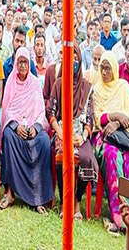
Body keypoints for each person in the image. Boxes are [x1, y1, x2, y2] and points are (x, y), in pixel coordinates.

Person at [92, 51, 129, 234]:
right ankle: (120, 213)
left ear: (115, 69)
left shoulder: (123, 86)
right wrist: (114, 116)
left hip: (126, 136)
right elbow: (98, 118)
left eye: (108, 68)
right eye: (102, 68)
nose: (105, 72)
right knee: (112, 156)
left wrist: (117, 122)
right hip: (106, 138)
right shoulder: (97, 89)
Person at [0, 47, 53, 214]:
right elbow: (6, 109)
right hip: (16, 127)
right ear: (16, 64)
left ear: (29, 64)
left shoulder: (35, 83)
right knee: (8, 136)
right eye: (20, 62)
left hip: (33, 126)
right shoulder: (11, 83)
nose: (22, 66)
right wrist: (15, 126)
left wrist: (36, 127)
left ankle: (38, 198)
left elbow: (40, 111)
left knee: (43, 142)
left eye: (25, 62)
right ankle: (10, 192)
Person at [47, 43, 98, 220]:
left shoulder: (87, 87)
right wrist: (60, 132)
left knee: (88, 159)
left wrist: (82, 136)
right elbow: (51, 113)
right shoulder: (59, 83)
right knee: (62, 155)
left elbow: (90, 118)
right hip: (62, 131)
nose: (73, 61)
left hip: (79, 134)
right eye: (71, 58)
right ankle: (64, 202)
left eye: (76, 58)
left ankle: (76, 200)